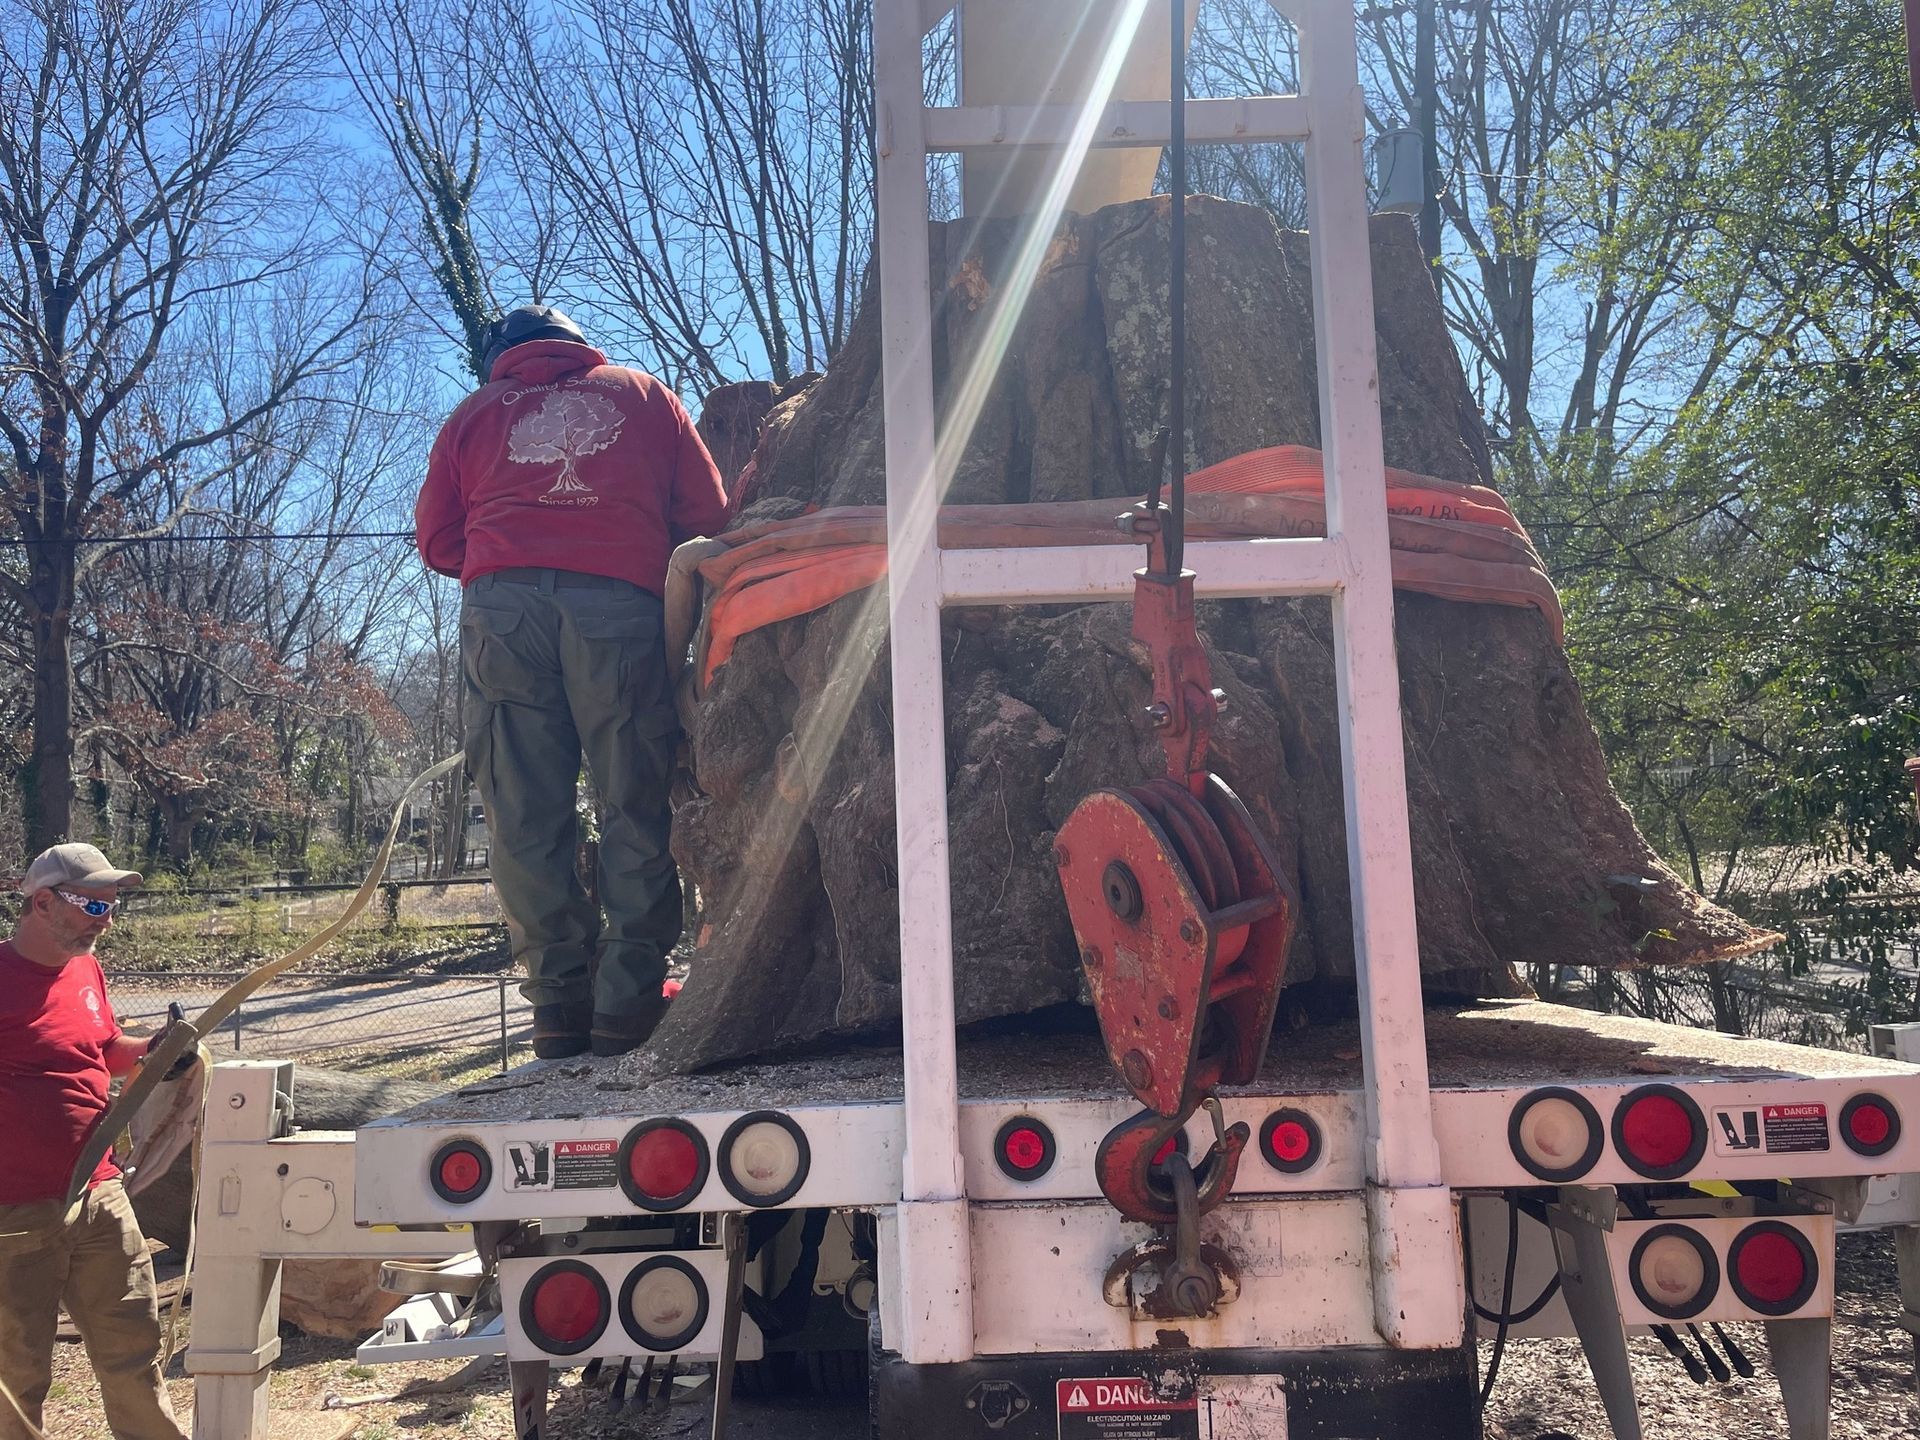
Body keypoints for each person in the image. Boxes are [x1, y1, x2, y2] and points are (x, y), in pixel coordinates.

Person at [416, 306, 729, 1059]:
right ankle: (627, 1000)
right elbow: (710, 514)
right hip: (619, 605)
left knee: (522, 810)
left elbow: (437, 540)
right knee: (632, 796)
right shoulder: (644, 394)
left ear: (501, 354)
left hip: (503, 615)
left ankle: (557, 1005)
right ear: (577, 346)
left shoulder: (476, 412)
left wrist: (513, 561)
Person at [0, 843, 186, 1440]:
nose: (104, 920)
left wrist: (157, 1054)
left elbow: (104, 1050)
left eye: (111, 907)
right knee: (16, 1371)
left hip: (100, 1193)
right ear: (43, 902)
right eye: (90, 905)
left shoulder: (86, 969)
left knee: (134, 1346)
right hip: (15, 1211)